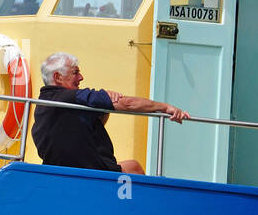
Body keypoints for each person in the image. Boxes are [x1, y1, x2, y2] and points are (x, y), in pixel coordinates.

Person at [32, 51, 190, 175]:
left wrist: (102, 104)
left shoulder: (43, 105)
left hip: (60, 170)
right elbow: (127, 103)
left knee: (130, 166)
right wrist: (165, 107)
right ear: (58, 77)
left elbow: (87, 126)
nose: (81, 77)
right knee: (134, 168)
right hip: (90, 172)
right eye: (75, 72)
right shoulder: (72, 97)